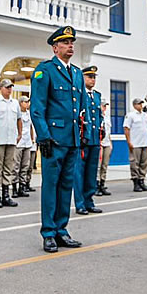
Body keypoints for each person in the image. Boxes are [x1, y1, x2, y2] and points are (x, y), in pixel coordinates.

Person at [31, 26, 85, 253]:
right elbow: (37, 107)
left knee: (66, 186)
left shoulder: (77, 73)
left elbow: (80, 109)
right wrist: (43, 136)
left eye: (72, 42)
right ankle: (49, 232)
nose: (70, 46)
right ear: (55, 48)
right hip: (53, 140)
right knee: (51, 187)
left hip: (72, 140)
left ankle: (62, 230)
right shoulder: (45, 71)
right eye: (65, 43)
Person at [73, 66, 103, 214]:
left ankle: (89, 201)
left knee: (92, 172)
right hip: (83, 139)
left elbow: (99, 116)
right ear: (82, 78)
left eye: (94, 77)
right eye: (89, 76)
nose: (92, 79)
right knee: (80, 173)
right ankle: (80, 204)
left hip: (95, 140)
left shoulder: (97, 95)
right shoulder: (78, 94)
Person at [0, 78, 22, 208]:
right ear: (1, 88)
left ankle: (6, 195)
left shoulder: (15, 103)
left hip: (11, 140)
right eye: (7, 87)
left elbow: (19, 119)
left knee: (8, 168)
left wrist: (20, 134)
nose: (9, 89)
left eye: (10, 87)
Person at [124, 98, 147, 192]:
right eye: (139, 104)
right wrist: (129, 142)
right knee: (135, 163)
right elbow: (126, 128)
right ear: (134, 105)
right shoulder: (131, 115)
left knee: (144, 163)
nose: (141, 105)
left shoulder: (145, 115)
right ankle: (136, 182)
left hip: (144, 143)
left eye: (141, 104)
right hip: (135, 143)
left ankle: (142, 181)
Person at [13, 96, 35, 198]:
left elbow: (30, 127)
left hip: (27, 142)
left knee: (25, 166)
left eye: (28, 102)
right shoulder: (17, 113)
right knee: (16, 166)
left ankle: (22, 187)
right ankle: (14, 188)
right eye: (25, 102)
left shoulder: (29, 114)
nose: (27, 104)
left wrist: (31, 139)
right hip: (19, 143)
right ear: (21, 103)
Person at [96, 101, 112, 196]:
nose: (104, 107)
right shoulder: (97, 117)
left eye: (105, 106)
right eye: (103, 106)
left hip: (107, 143)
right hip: (100, 143)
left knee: (104, 166)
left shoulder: (107, 117)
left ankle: (102, 184)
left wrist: (111, 143)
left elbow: (109, 131)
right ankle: (96, 185)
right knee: (98, 166)